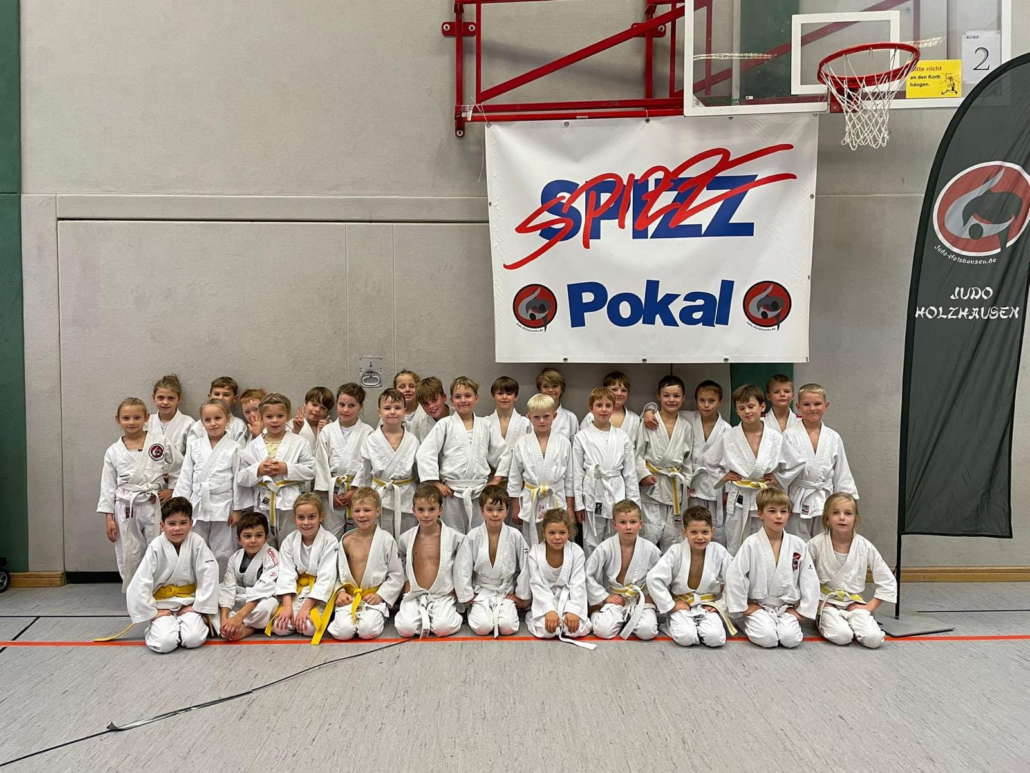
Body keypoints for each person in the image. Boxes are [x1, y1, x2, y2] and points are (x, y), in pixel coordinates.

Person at [703, 384, 804, 555]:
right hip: (740, 496)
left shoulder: (774, 437)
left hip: (765, 496)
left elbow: (797, 462)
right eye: (741, 408)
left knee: (767, 544)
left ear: (762, 407)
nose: (747, 411)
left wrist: (779, 478)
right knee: (736, 545)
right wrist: (723, 476)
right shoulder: (729, 436)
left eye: (751, 406)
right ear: (736, 410)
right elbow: (709, 460)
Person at [725, 488, 819, 649]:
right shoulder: (752, 543)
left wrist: (803, 611)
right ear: (760, 514)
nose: (778, 516)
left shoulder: (797, 544)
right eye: (772, 511)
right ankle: (745, 621)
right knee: (768, 639)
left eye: (783, 511)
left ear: (789, 514)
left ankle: (777, 623)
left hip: (786, 607)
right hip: (758, 606)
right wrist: (743, 608)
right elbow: (735, 575)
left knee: (791, 639)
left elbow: (809, 579)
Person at [125, 497, 219, 654]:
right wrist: (152, 612)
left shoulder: (197, 542)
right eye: (172, 523)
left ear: (191, 524)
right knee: (165, 643)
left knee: (193, 639)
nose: (177, 528)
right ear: (162, 525)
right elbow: (141, 581)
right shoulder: (156, 546)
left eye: (183, 523)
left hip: (189, 601)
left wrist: (198, 606)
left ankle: (189, 622)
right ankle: (157, 627)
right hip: (162, 604)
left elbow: (209, 573)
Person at [416, 376, 508, 534]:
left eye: (468, 396)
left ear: (476, 398)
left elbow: (504, 453)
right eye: (458, 397)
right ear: (451, 400)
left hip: (479, 491)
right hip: (452, 492)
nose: (463, 400)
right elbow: (425, 453)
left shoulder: (486, 425)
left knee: (480, 534)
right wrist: (435, 482)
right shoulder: (444, 425)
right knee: (453, 534)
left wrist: (496, 480)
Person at [97, 397, 172, 590]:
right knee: (129, 550)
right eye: (126, 418)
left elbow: (180, 468)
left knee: (159, 545)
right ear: (118, 419)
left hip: (153, 502)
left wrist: (171, 488)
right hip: (125, 505)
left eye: (137, 417)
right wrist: (109, 517)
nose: (131, 422)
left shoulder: (160, 442)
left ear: (146, 417)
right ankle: (134, 592)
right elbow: (107, 485)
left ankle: (159, 590)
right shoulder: (113, 451)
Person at [808, 493, 895, 648]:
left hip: (854, 602)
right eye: (835, 513)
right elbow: (801, 576)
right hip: (826, 601)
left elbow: (887, 580)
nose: (842, 517)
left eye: (848, 513)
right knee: (843, 636)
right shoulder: (816, 544)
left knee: (873, 639)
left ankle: (854, 620)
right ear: (827, 518)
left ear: (856, 519)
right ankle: (822, 619)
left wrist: (869, 607)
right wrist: (815, 602)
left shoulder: (865, 546)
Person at [173, 398, 245, 576]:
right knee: (195, 546)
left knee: (223, 550)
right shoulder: (195, 446)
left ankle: (222, 585)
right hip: (197, 504)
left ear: (227, 419)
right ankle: (198, 584)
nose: (213, 423)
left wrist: (237, 509)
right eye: (208, 420)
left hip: (224, 504)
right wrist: (180, 506)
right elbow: (185, 477)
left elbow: (238, 480)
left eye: (217, 418)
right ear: (202, 423)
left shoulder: (235, 448)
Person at [646, 506, 734, 648]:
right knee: (686, 637)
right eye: (694, 532)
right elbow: (653, 578)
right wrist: (671, 605)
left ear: (712, 531)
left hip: (707, 605)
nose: (700, 537)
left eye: (705, 532)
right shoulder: (675, 551)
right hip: (682, 604)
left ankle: (699, 627)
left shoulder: (719, 551)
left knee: (715, 639)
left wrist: (720, 605)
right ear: (684, 532)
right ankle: (671, 624)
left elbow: (735, 579)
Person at [394, 484, 473, 639]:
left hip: (443, 594)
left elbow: (462, 567)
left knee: (442, 628)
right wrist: (405, 579)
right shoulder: (406, 538)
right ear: (414, 511)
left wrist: (460, 590)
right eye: (421, 509)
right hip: (415, 594)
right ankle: (425, 618)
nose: (426, 515)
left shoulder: (455, 538)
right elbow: (400, 560)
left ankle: (448, 616)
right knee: (405, 629)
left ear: (440, 510)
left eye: (431, 509)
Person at [326, 487, 404, 641]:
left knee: (367, 631)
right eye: (357, 511)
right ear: (351, 512)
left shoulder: (386, 540)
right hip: (349, 597)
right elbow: (335, 573)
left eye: (367, 510)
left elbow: (396, 574)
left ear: (378, 511)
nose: (361, 515)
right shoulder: (346, 541)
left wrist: (381, 595)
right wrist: (340, 592)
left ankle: (375, 615)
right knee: (343, 632)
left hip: (373, 597)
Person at [237, 393, 316, 545]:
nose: (274, 420)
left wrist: (285, 468)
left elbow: (310, 471)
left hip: (290, 500)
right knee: (265, 543)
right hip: (263, 501)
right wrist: (258, 469)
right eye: (269, 416)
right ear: (261, 417)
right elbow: (241, 478)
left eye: (280, 416)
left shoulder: (300, 442)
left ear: (288, 416)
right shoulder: (253, 445)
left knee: (291, 542)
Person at [783, 384, 858, 539]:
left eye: (817, 404)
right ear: (798, 407)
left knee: (824, 540)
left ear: (826, 405)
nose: (812, 408)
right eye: (806, 404)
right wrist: (782, 503)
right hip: (797, 499)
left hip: (825, 499)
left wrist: (846, 502)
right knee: (796, 542)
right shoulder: (789, 435)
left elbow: (841, 472)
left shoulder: (833, 437)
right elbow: (783, 472)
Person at [573, 387, 640, 557]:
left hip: (616, 491)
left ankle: (612, 572)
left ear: (613, 408)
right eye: (599, 405)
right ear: (591, 408)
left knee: (615, 540)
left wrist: (634, 504)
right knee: (591, 541)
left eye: (608, 405)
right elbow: (577, 472)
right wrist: (579, 504)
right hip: (592, 491)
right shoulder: (581, 436)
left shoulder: (622, 436)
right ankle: (592, 573)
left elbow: (630, 474)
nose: (603, 409)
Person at [457, 486, 531, 637]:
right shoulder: (472, 536)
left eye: (500, 509)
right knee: (483, 627)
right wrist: (467, 596)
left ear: (507, 511)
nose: (495, 514)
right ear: (482, 510)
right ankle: (476, 610)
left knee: (508, 627)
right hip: (481, 591)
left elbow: (526, 565)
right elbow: (462, 566)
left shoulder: (515, 535)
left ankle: (501, 611)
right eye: (490, 510)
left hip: (506, 590)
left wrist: (522, 596)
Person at [585, 500, 660, 640]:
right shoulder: (605, 548)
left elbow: (661, 577)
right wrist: (604, 597)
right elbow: (589, 574)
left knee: (647, 631)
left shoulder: (650, 549)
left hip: (639, 598)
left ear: (640, 524)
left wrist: (651, 596)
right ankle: (595, 612)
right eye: (623, 522)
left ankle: (631, 619)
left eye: (633, 522)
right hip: (615, 597)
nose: (628, 527)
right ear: (614, 524)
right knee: (603, 631)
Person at [268, 494, 339, 642]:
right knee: (280, 627)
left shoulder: (329, 541)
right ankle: (293, 608)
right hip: (297, 591)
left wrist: (306, 608)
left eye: (311, 517)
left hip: (317, 594)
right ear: (294, 518)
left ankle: (313, 610)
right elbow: (286, 574)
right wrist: (287, 606)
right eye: (301, 517)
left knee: (308, 627)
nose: (306, 522)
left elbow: (327, 577)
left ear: (321, 517)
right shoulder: (289, 541)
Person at [507, 393, 575, 547]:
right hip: (531, 498)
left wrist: (570, 507)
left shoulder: (564, 443)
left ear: (554, 416)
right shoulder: (522, 443)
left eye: (546, 416)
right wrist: (516, 507)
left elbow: (570, 477)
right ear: (529, 417)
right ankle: (532, 562)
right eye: (537, 417)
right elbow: (515, 477)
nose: (542, 421)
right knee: (531, 541)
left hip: (556, 497)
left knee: (557, 538)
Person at [635, 375, 694, 549]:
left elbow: (687, 461)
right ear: (658, 397)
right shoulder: (648, 422)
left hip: (675, 488)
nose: (671, 400)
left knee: (673, 538)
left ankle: (672, 567)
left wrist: (687, 484)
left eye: (676, 396)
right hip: (652, 485)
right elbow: (637, 454)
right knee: (649, 535)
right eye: (666, 395)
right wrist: (643, 475)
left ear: (683, 398)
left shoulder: (686, 427)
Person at [355, 389, 419, 542]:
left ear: (404, 411)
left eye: (397, 408)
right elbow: (364, 470)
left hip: (405, 495)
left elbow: (419, 472)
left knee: (407, 538)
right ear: (379, 412)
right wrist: (360, 496)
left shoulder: (412, 440)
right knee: (380, 539)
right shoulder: (372, 439)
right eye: (387, 408)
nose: (392, 412)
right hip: (379, 495)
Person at [314, 383, 375, 539]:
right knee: (331, 536)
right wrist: (330, 492)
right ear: (336, 404)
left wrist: (355, 490)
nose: (345, 410)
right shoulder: (327, 431)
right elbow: (321, 463)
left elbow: (368, 464)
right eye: (342, 405)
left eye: (351, 405)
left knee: (360, 534)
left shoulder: (368, 432)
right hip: (333, 492)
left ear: (360, 406)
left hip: (358, 491)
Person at [525, 509, 593, 646]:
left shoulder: (576, 552)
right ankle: (532, 616)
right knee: (547, 631)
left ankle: (566, 617)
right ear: (543, 532)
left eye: (562, 532)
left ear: (569, 532)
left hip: (569, 598)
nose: (557, 537)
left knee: (574, 629)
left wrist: (573, 611)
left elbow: (578, 583)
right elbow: (537, 585)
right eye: (552, 533)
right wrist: (549, 610)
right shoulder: (535, 553)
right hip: (544, 599)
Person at [216, 512, 280, 642]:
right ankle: (228, 625)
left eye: (259, 535)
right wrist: (224, 619)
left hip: (261, 599)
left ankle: (247, 628)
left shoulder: (272, 557)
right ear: (239, 540)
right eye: (247, 536)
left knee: (267, 607)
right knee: (215, 596)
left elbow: (261, 591)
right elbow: (228, 588)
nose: (253, 540)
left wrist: (238, 617)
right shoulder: (235, 557)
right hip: (241, 599)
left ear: (266, 537)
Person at [686, 381, 731, 546]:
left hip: (715, 484)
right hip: (693, 484)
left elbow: (730, 463)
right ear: (696, 400)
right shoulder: (688, 418)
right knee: (693, 525)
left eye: (711, 401)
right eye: (702, 400)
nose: (706, 405)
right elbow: (664, 412)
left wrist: (728, 491)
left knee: (717, 529)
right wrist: (649, 411)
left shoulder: (726, 429)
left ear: (720, 402)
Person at [148, 374, 194, 495]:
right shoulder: (147, 422)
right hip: (149, 481)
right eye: (160, 397)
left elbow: (192, 458)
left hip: (179, 481)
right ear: (153, 398)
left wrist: (173, 486)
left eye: (171, 398)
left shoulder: (188, 423)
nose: (165, 402)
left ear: (179, 399)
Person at [581, 371, 641, 447]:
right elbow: (582, 443)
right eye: (614, 389)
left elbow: (640, 448)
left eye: (623, 390)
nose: (619, 393)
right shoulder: (591, 417)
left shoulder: (635, 419)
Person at [482, 376, 531, 464]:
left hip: (519, 470)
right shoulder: (484, 423)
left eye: (509, 393)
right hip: (491, 471)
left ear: (515, 397)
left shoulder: (526, 423)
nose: (504, 397)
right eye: (500, 393)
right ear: (493, 396)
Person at [187, 377, 248, 444]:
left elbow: (241, 449)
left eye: (226, 395)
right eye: (216, 394)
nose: (220, 398)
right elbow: (191, 448)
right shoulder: (199, 425)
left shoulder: (238, 425)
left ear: (235, 399)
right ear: (210, 397)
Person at [536, 368, 578, 441]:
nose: (550, 390)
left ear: (562, 389)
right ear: (540, 390)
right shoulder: (532, 417)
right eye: (545, 386)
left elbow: (574, 446)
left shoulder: (571, 418)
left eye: (555, 386)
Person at [291, 386, 333, 451]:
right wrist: (295, 430)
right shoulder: (292, 424)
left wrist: (329, 431)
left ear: (326, 412)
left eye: (323, 408)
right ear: (305, 403)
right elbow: (287, 449)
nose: (317, 410)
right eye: (314, 404)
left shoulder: (330, 425)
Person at [413, 376, 450, 441]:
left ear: (444, 397)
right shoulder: (423, 428)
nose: (431, 406)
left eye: (434, 400)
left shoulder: (459, 415)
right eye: (425, 403)